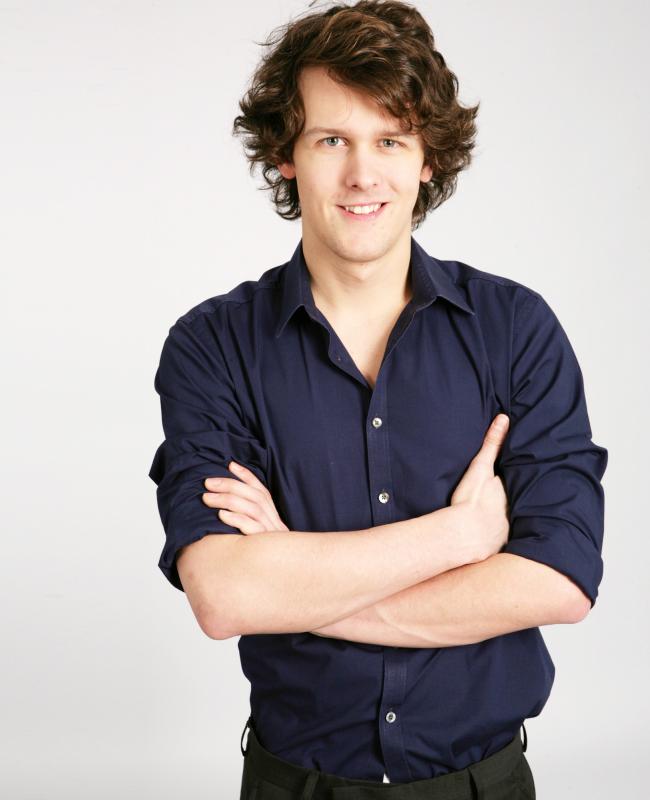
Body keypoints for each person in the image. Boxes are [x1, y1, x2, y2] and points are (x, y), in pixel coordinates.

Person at [148, 1, 608, 797]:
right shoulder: (212, 346)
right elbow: (223, 596)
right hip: (295, 785)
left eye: (390, 140)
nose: (363, 174)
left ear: (428, 158)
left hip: (482, 785)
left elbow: (560, 581)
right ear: (286, 155)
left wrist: (294, 586)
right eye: (332, 140)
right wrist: (459, 536)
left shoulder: (515, 329)